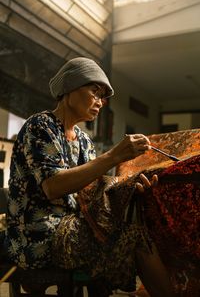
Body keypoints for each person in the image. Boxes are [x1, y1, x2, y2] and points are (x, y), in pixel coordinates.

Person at [5, 57, 174, 297]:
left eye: (103, 96)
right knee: (134, 238)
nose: (101, 102)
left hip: (71, 226)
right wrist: (114, 155)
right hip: (38, 235)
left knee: (145, 225)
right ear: (69, 89)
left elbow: (93, 193)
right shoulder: (40, 126)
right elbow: (53, 187)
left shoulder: (84, 141)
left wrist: (129, 187)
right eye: (95, 92)